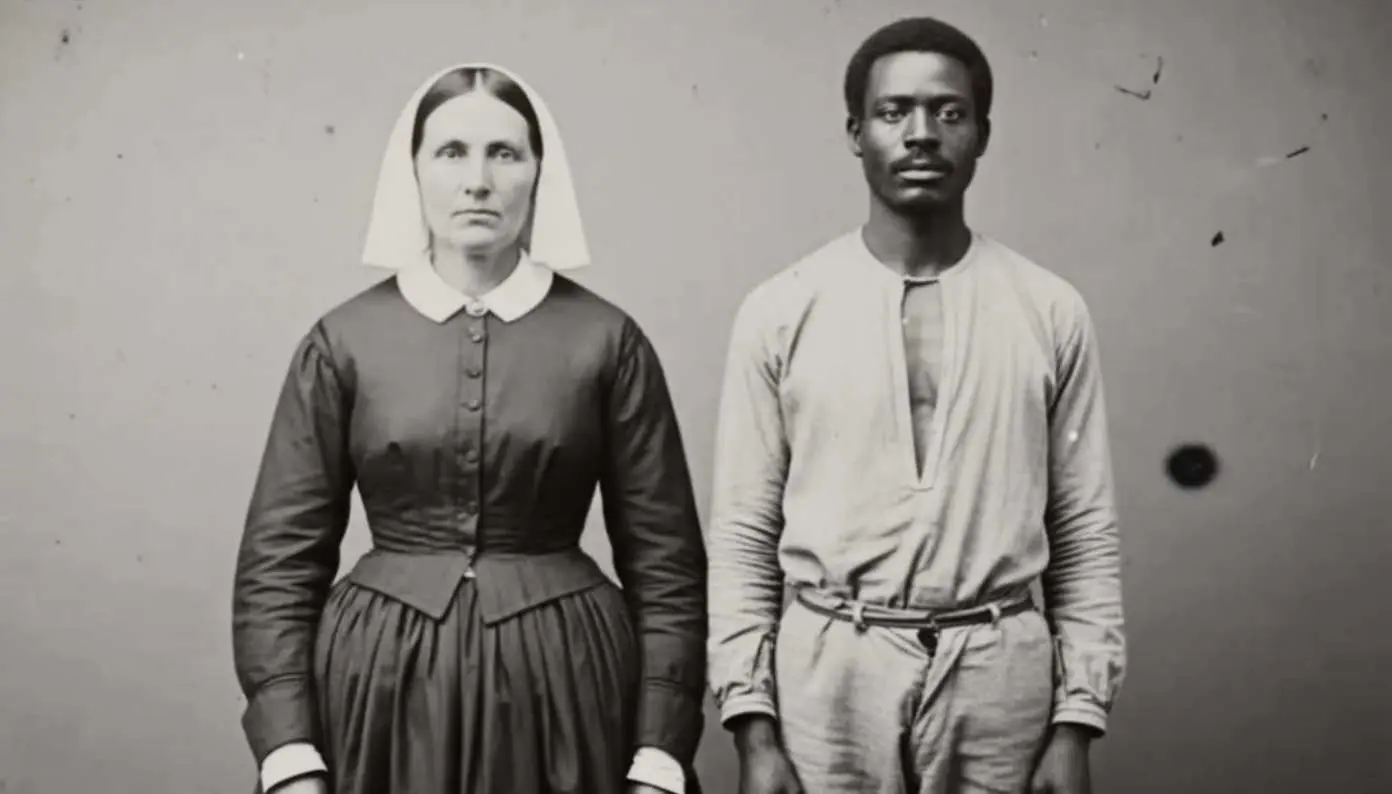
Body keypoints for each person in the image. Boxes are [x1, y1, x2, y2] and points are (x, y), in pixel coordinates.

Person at [231, 63, 708, 794]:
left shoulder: (608, 341)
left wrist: (660, 752)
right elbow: (279, 562)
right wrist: (288, 750)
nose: (477, 181)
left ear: (539, 172)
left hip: (567, 690)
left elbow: (666, 564)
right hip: (379, 693)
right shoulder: (343, 341)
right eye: (451, 152)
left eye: (504, 153)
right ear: (415, 170)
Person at [707, 16, 1126, 794]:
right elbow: (742, 533)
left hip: (1000, 670)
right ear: (856, 132)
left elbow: (1084, 530)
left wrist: (1077, 722)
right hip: (828, 671)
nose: (922, 133)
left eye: (949, 112)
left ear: (982, 134)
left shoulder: (1049, 309)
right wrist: (752, 729)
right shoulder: (781, 309)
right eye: (894, 111)